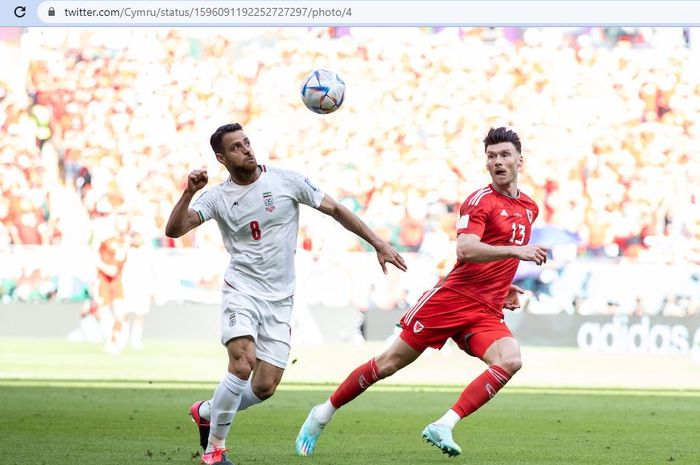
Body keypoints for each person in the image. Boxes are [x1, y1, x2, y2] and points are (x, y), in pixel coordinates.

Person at [295, 127, 548, 457]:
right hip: (450, 301)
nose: (498, 162)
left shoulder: (529, 207)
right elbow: (466, 250)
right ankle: (322, 413)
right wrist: (517, 253)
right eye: (491, 156)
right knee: (386, 364)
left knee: (510, 360)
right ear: (486, 163)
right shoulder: (479, 201)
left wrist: (503, 286)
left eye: (504, 155)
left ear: (519, 160)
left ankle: (444, 424)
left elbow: (496, 254)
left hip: (485, 310)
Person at [164, 123, 407, 465]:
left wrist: (378, 243)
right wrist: (188, 192)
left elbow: (335, 209)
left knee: (264, 387)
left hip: (280, 297)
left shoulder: (286, 180)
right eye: (236, 147)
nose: (246, 149)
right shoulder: (217, 197)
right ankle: (214, 451)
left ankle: (206, 410)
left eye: (247, 142)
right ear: (221, 158)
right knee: (242, 361)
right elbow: (174, 229)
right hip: (242, 291)